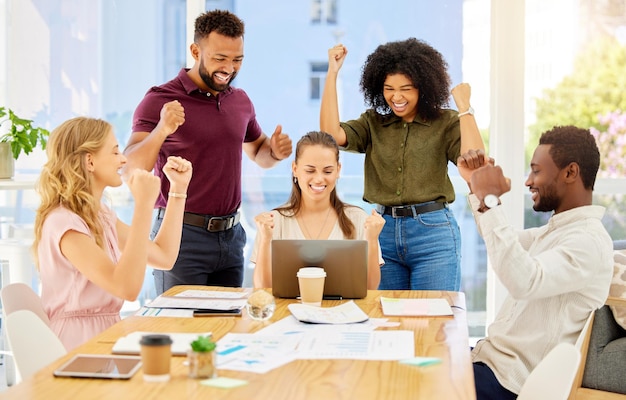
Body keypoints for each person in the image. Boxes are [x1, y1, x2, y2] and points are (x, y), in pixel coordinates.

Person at [124, 10, 292, 295]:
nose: (229, 68)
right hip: (180, 235)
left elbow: (259, 153)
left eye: (237, 59)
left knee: (224, 330)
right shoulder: (159, 99)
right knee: (180, 330)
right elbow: (131, 167)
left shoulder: (240, 101)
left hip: (232, 236)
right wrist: (162, 129)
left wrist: (274, 151)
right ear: (195, 51)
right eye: (220, 58)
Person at [459, 126, 614, 399]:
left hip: (507, 383)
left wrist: (490, 199)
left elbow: (524, 281)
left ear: (570, 173)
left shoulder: (588, 242)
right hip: (488, 364)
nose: (528, 181)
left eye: (537, 171)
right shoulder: (557, 231)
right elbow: (498, 239)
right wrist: (476, 186)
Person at [320, 38, 485, 291]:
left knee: (434, 321)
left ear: (423, 87)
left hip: (433, 234)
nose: (396, 97)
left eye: (406, 89)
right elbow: (331, 134)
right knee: (386, 322)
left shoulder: (445, 122)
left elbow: (475, 160)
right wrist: (332, 73)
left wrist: (465, 108)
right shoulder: (373, 123)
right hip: (382, 232)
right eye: (389, 88)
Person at [33, 117, 192, 351]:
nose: (123, 159)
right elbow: (126, 288)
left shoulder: (100, 214)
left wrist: (178, 189)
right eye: (115, 151)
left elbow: (164, 257)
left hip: (106, 336)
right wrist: (143, 205)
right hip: (75, 346)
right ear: (90, 161)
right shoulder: (64, 223)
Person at [251, 131, 385, 289]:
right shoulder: (274, 221)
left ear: (338, 170)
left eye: (327, 171)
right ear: (295, 169)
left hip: (343, 311)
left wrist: (371, 239)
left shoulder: (359, 219)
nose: (319, 179)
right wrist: (266, 239)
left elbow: (370, 287)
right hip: (288, 312)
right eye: (310, 170)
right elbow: (262, 288)